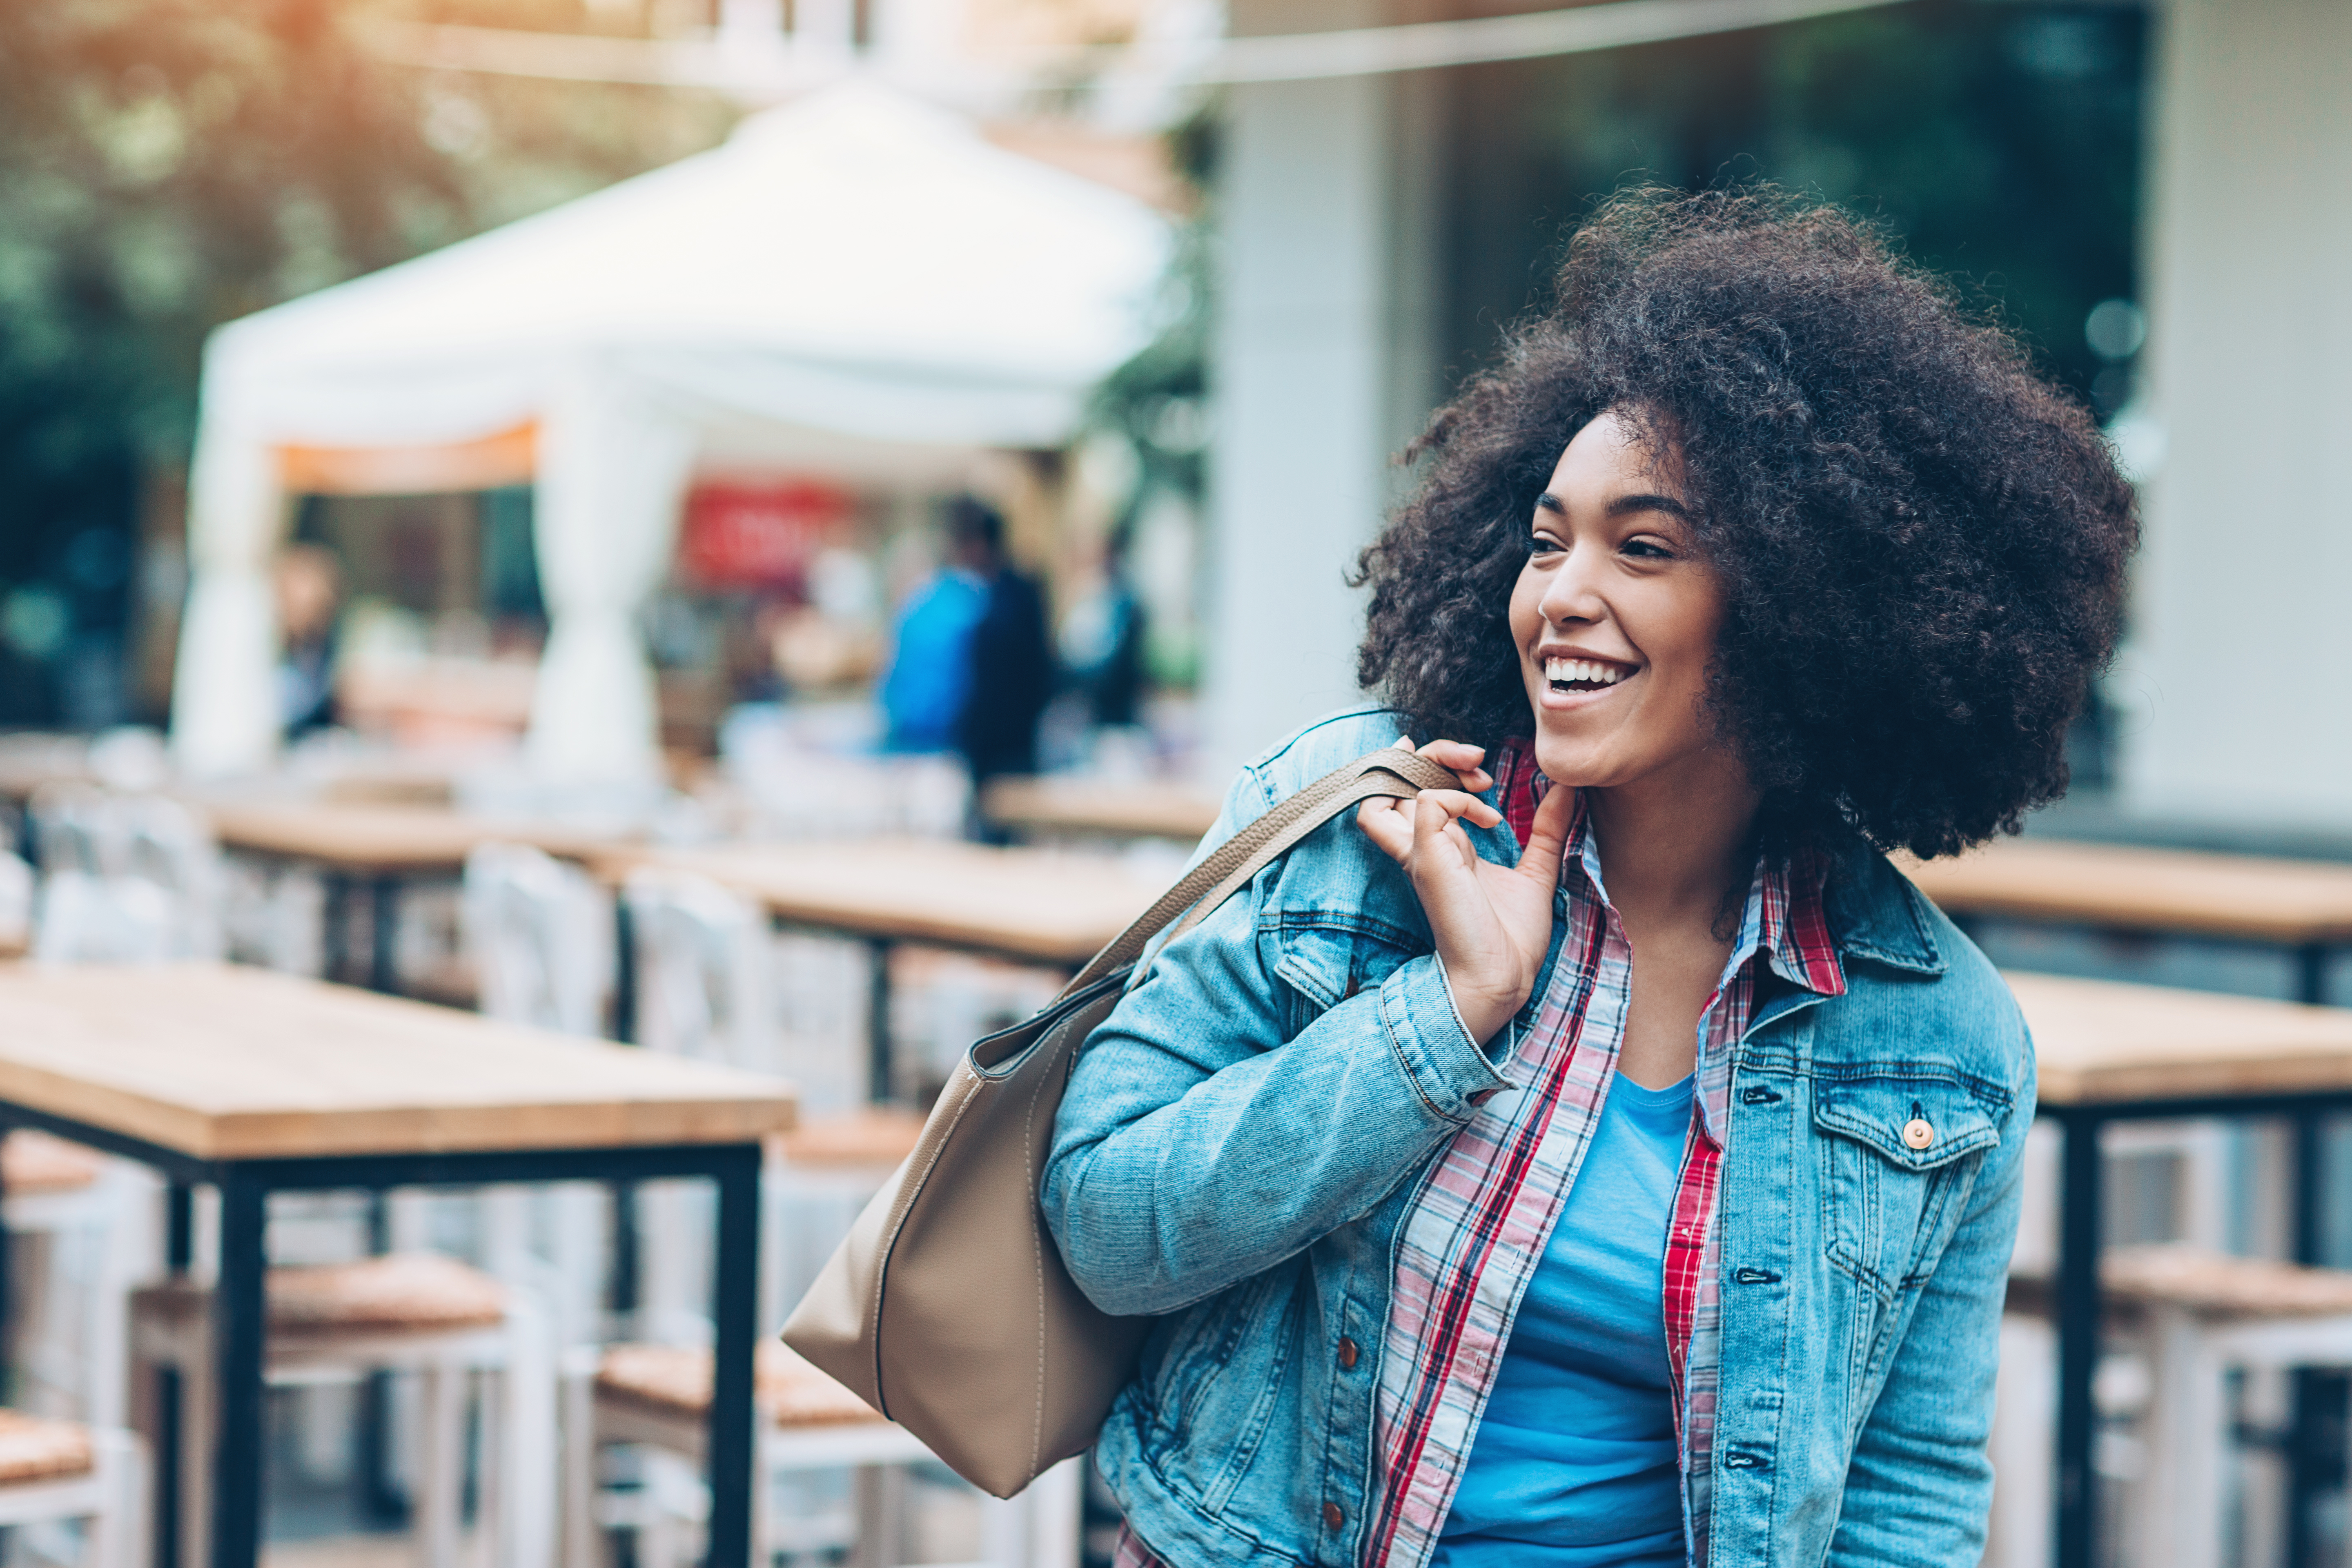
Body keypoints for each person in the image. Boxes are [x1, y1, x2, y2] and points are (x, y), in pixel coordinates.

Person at [1043, 189, 2136, 1568]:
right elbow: (1104, 1224)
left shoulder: (1939, 1040)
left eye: (1646, 547)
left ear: (1810, 606)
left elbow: (1905, 1497)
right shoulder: (1351, 833)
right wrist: (1439, 1021)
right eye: (1549, 538)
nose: (1559, 593)